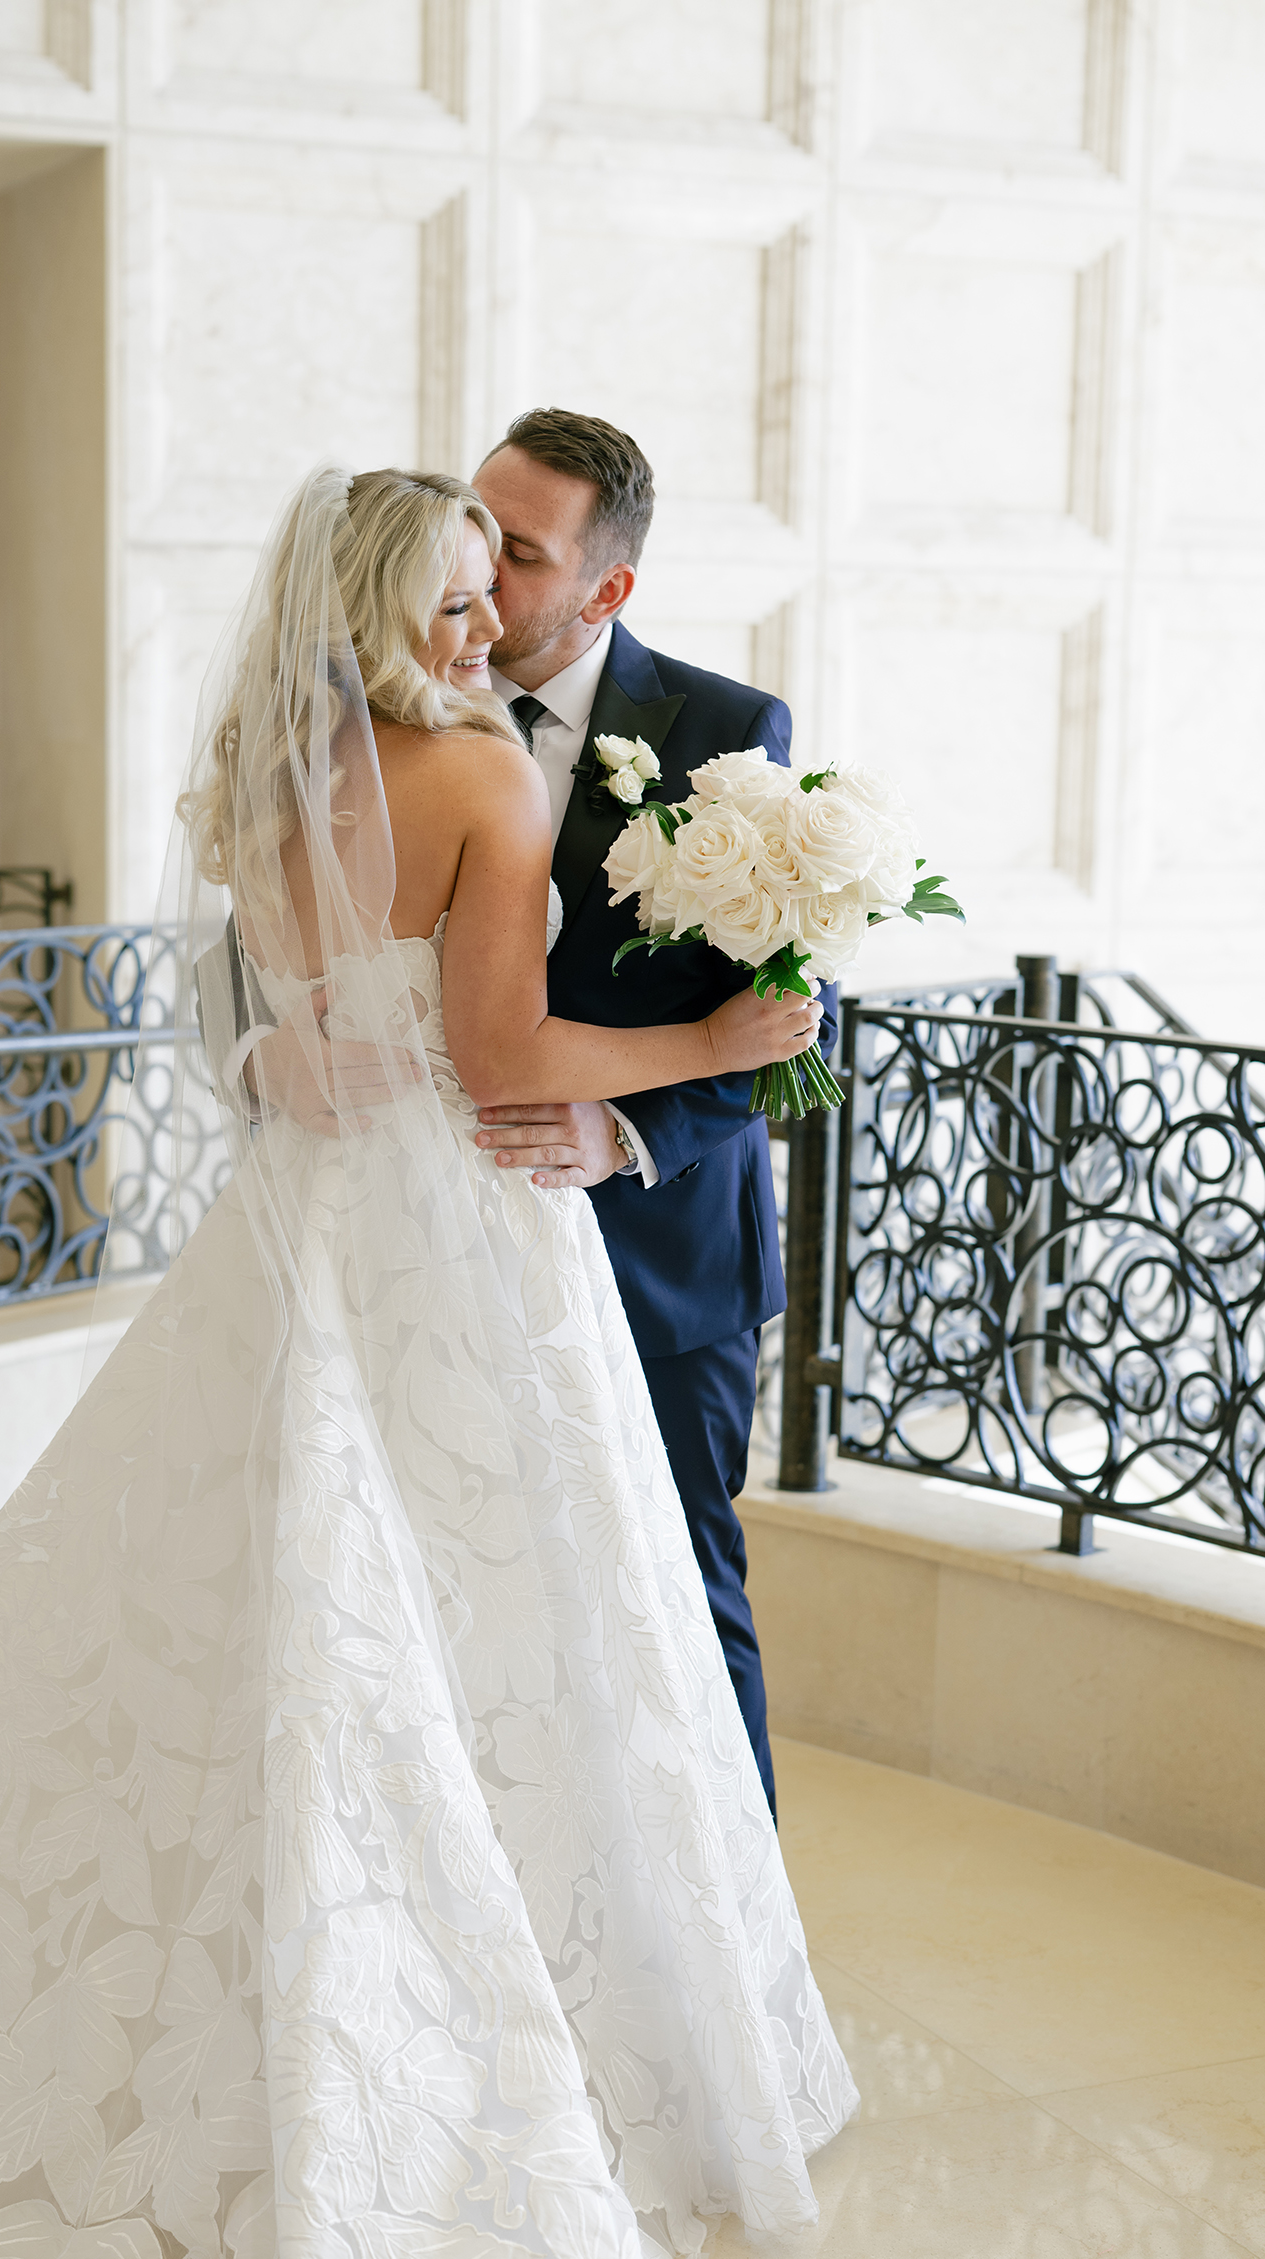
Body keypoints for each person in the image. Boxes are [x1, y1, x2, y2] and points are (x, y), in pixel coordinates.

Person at [0, 466, 856, 2259]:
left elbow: (279, 1010)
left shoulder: (262, 775)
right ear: (379, 608)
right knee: (510, 1612)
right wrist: (716, 1046)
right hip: (462, 1235)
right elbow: (500, 1056)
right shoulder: (483, 777)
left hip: (305, 1226)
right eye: (452, 598)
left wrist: (277, 1055)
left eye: (495, 587)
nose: (482, 628)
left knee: (286, 1601)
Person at [472, 411, 838, 1824]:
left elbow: (790, 1009)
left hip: (663, 1257)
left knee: (682, 1584)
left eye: (519, 551)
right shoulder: (407, 704)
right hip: (460, 1243)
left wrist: (625, 1133)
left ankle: (736, 1904)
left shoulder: (728, 733)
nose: (479, 567)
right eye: (474, 525)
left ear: (606, 587)